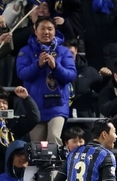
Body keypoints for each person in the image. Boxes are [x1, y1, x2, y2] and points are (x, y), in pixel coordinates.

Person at [16, 16, 76, 145]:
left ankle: (56, 160)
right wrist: (38, 65)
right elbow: (22, 74)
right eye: (42, 28)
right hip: (35, 106)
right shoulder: (26, 51)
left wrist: (56, 67)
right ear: (35, 30)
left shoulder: (63, 51)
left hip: (58, 105)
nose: (46, 32)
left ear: (55, 31)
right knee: (37, 145)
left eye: (50, 29)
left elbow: (71, 75)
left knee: (54, 137)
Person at [0, 87, 39, 174]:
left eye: (4, 102)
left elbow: (34, 118)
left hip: (12, 171)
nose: (2, 105)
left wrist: (26, 98)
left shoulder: (14, 123)